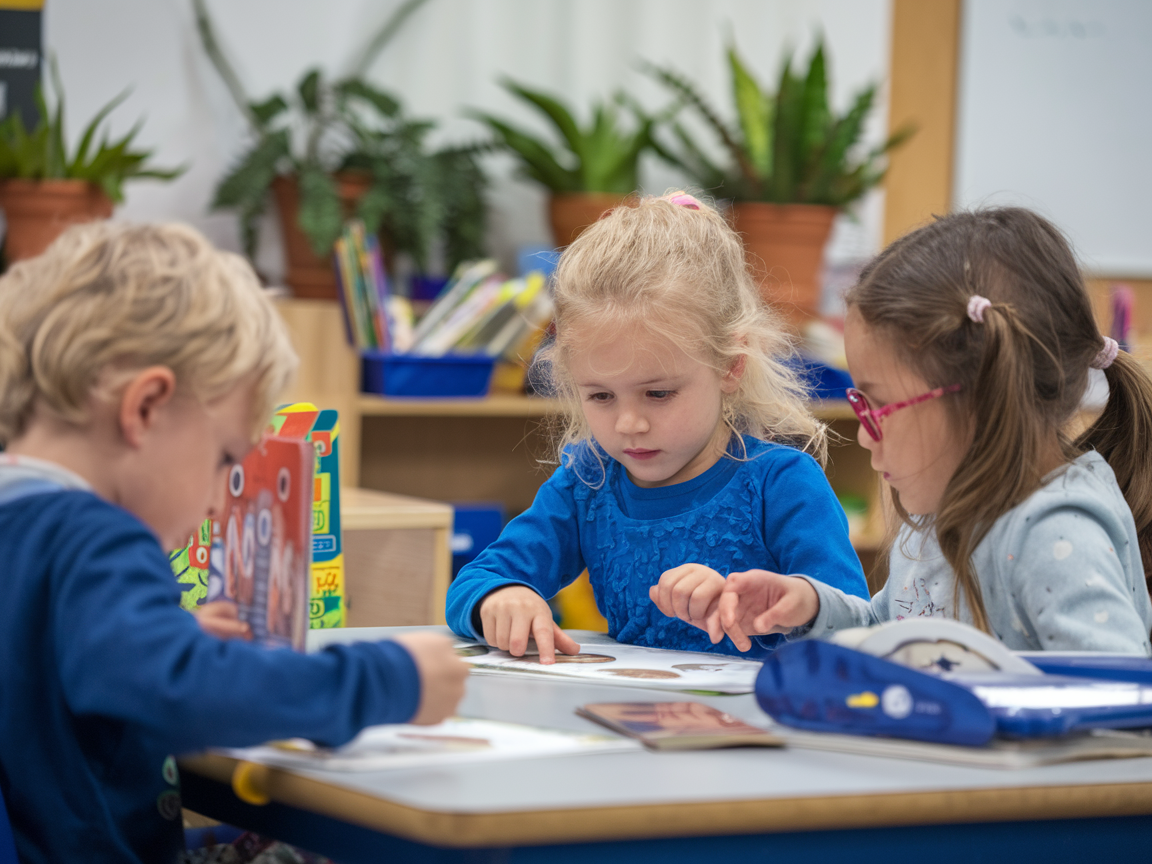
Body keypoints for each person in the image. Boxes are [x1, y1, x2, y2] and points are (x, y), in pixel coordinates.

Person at [0, 222, 469, 864]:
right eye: (225, 459)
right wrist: (389, 678)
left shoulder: (21, 520)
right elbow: (184, 696)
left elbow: (43, 656)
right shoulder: (95, 537)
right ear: (145, 408)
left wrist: (160, 633)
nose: (221, 501)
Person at [683, 207, 1152, 655]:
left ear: (983, 400)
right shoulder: (939, 514)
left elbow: (1116, 687)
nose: (864, 434)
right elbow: (887, 633)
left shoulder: (1056, 532)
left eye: (880, 406)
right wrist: (809, 607)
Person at [445, 192, 869, 662]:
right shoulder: (587, 482)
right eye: (601, 396)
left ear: (731, 365)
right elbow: (476, 580)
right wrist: (501, 597)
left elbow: (856, 626)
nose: (629, 424)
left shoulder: (781, 484)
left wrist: (766, 602)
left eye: (659, 393)